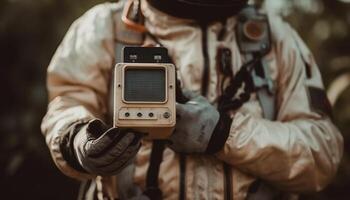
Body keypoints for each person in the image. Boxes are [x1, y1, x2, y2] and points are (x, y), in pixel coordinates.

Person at [41, 0, 343, 199]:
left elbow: (321, 153)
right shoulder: (104, 28)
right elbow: (67, 104)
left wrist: (224, 134)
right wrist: (77, 140)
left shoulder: (274, 39)